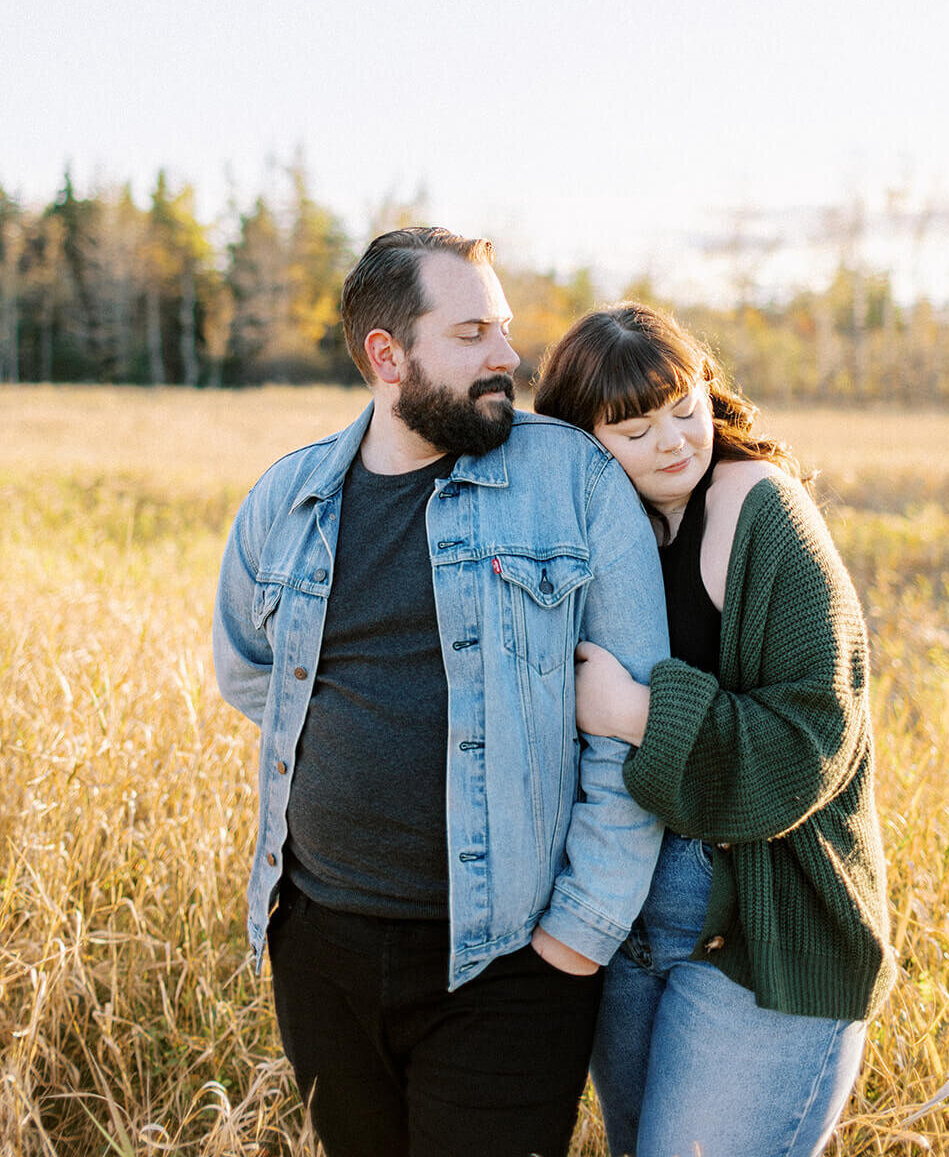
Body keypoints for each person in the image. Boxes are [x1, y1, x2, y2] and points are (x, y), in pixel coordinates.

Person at [212, 230, 669, 1157]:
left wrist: (576, 935)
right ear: (388, 356)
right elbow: (250, 668)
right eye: (471, 333)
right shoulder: (288, 497)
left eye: (501, 327)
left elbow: (635, 729)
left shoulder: (572, 481)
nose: (508, 355)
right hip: (321, 947)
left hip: (509, 963)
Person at [535, 303, 895, 1157]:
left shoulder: (759, 511)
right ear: (580, 439)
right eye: (634, 428)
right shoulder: (580, 524)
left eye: (686, 409)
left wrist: (631, 712)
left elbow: (813, 740)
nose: (673, 443)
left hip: (763, 917)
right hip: (620, 902)